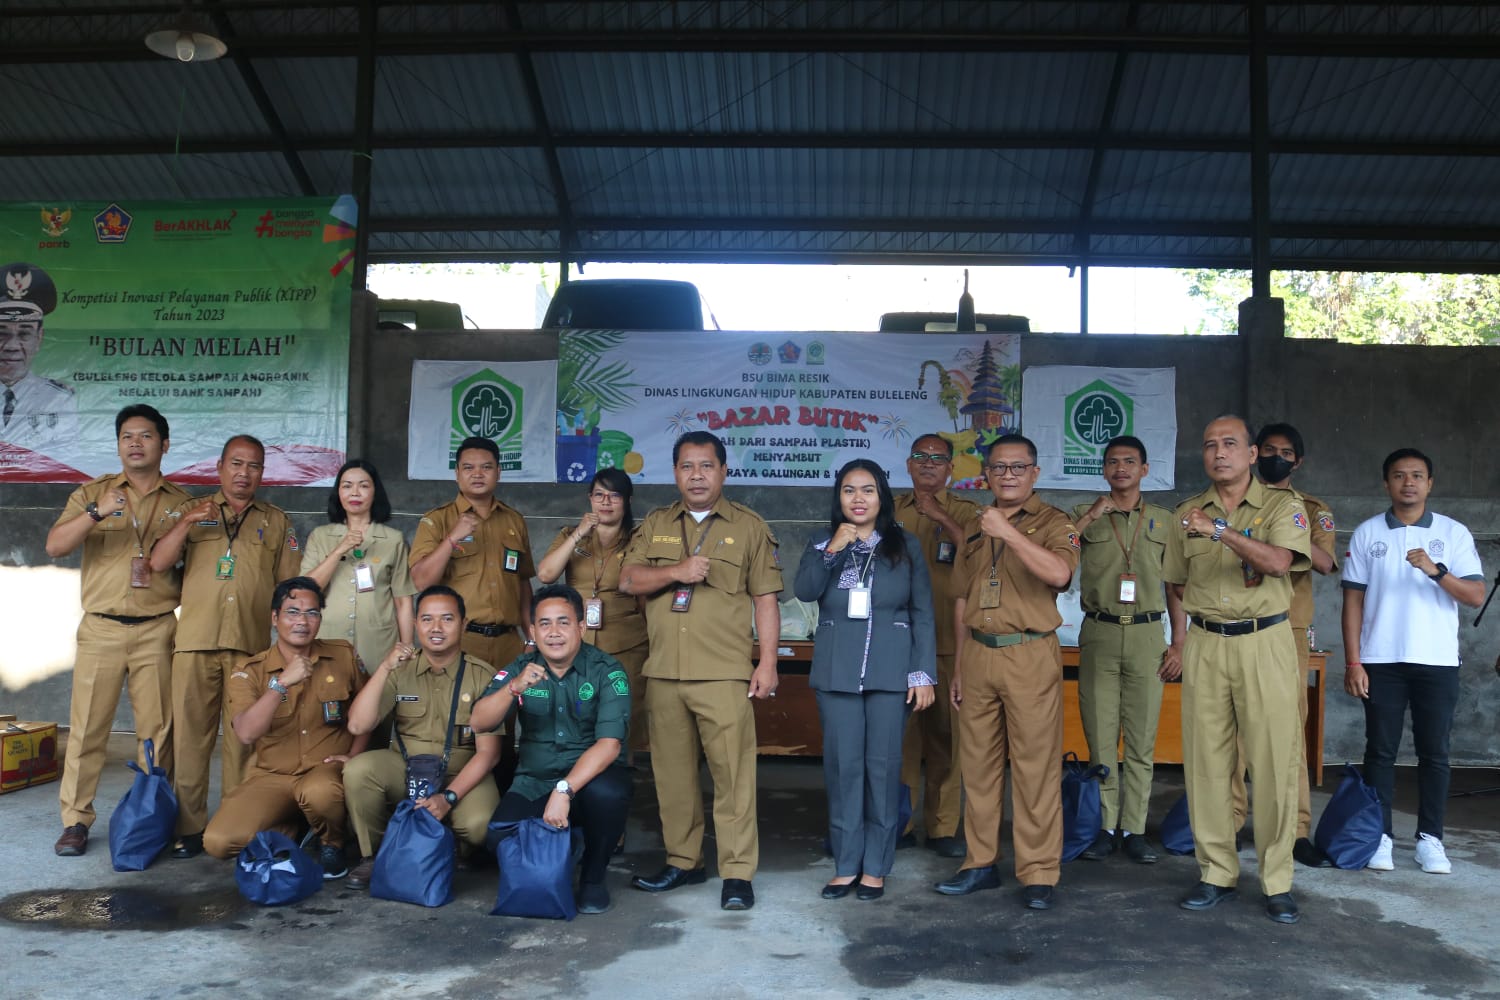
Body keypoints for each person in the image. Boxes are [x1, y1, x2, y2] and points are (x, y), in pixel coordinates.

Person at [620, 430, 782, 911]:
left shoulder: (748, 526)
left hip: (724, 673)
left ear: (724, 471)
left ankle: (737, 873)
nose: (696, 475)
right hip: (665, 673)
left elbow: (766, 599)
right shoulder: (654, 525)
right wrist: (677, 571)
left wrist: (767, 663)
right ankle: (683, 861)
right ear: (674, 473)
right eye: (687, 466)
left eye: (706, 466)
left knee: (733, 777)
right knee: (672, 778)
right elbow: (628, 579)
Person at [1164, 415, 1310, 925]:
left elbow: (1277, 563)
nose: (1218, 453)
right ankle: (1216, 873)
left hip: (1263, 640)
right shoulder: (1185, 513)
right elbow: (1176, 583)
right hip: (1206, 643)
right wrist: (1182, 638)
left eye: (1230, 444)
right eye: (1209, 445)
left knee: (1273, 762)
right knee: (1206, 764)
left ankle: (1277, 880)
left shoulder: (1282, 506)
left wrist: (1220, 530)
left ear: (1252, 454)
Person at [937, 434, 1079, 910]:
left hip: (1028, 653)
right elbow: (961, 599)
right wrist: (959, 667)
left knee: (1035, 768)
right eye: (999, 468)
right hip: (978, 654)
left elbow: (1059, 574)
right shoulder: (976, 528)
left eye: (1019, 468)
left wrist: (1011, 534)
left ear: (1035, 473)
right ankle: (979, 863)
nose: (1008, 476)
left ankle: (1039, 872)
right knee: (976, 767)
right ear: (987, 474)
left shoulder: (1055, 522)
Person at [45, 404, 190, 856]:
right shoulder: (94, 493)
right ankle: (76, 821)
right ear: (118, 444)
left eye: (145, 436)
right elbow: (54, 545)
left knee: (157, 732)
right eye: (127, 435)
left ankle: (153, 817)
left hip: (157, 629)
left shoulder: (183, 504)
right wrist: (96, 511)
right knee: (88, 729)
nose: (135, 443)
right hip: (101, 629)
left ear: (163, 445)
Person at [149, 434, 300, 858]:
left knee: (244, 743)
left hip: (249, 651)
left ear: (262, 474)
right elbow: (158, 563)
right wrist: (184, 523)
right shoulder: (190, 511)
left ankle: (235, 823)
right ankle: (191, 828)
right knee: (190, 740)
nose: (243, 473)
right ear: (219, 468)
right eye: (236, 464)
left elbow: (289, 586)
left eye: (253, 466)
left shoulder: (276, 521)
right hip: (195, 643)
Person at [795, 459, 936, 901]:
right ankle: (846, 863)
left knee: (882, 767)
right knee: (843, 770)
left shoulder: (905, 544)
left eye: (868, 490)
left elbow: (922, 613)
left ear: (882, 498)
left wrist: (922, 672)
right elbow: (805, 590)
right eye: (849, 491)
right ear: (838, 498)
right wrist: (834, 547)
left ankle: (876, 865)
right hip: (837, 671)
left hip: (891, 671)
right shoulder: (822, 542)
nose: (858, 499)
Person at [1342, 448, 1484, 875]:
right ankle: (1380, 836)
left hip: (1437, 661)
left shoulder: (1453, 533)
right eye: (1399, 476)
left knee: (1435, 754)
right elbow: (1352, 602)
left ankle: (1430, 840)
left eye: (1417, 476)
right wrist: (1354, 662)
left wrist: (1436, 571)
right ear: (1386, 483)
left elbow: (1476, 595)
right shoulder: (1368, 533)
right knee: (1380, 753)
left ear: (1430, 484)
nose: (1408, 483)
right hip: (1381, 659)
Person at [472, 584, 633, 915]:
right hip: (534, 779)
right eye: (545, 624)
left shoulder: (606, 670)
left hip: (587, 782)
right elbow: (478, 722)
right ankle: (566, 848)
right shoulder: (520, 667)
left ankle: (592, 878)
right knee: (498, 838)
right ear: (532, 630)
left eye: (564, 622)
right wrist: (513, 689)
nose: (554, 632)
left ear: (581, 626)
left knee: (611, 795)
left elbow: (609, 744)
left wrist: (565, 790)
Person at [1229, 423, 1340, 868]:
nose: (1278, 457)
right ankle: (1231, 822)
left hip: (1287, 628)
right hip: (1233, 623)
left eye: (1286, 452)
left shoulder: (1311, 509)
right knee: (1231, 730)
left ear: (1298, 461)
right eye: (1269, 450)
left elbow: (1328, 562)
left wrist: (1288, 527)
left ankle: (1294, 831)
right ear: (1255, 454)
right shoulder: (1229, 502)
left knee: (1288, 730)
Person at [342, 586, 503, 889]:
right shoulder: (399, 669)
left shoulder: (483, 676)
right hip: (406, 766)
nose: (436, 628)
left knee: (480, 824)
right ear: (415, 624)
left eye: (447, 619)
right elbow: (357, 725)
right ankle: (377, 855)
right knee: (358, 771)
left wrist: (448, 797)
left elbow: (489, 754)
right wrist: (385, 669)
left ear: (464, 624)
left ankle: (453, 846)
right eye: (427, 619)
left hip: (461, 770)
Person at [203, 577, 366, 876]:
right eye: (293, 612)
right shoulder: (250, 671)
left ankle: (333, 842)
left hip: (324, 770)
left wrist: (355, 757)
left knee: (320, 792)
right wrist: (280, 685)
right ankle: (298, 826)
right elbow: (247, 733)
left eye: (312, 613)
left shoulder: (342, 655)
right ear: (275, 618)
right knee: (218, 841)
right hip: (273, 776)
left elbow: (368, 714)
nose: (303, 621)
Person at [1071, 435, 1181, 865]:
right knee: (1100, 737)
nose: (1121, 468)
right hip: (1099, 631)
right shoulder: (1084, 514)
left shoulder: (1163, 520)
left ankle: (1134, 828)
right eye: (1113, 462)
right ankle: (1104, 826)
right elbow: (1056, 550)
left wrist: (1180, 642)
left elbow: (1176, 586)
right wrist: (1094, 515)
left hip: (1147, 635)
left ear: (1144, 469)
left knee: (1141, 738)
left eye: (1129, 462)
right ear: (1103, 470)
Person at [410, 436, 535, 783]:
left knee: (507, 733)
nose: (477, 474)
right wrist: (453, 538)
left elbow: (523, 583)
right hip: (461, 644)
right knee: (460, 727)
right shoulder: (436, 521)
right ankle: (457, 807)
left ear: (498, 472)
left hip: (509, 644)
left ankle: (502, 817)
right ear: (456, 474)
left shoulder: (513, 520)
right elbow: (420, 580)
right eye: (468, 467)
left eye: (486, 467)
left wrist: (532, 638)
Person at [893, 433, 979, 858]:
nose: (928, 464)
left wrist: (941, 516)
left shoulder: (967, 512)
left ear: (950, 468)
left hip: (951, 643)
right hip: (899, 646)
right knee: (901, 740)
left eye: (938, 459)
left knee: (949, 741)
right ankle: (900, 823)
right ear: (909, 465)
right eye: (920, 457)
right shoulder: (887, 511)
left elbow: (982, 554)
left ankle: (943, 828)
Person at [300, 459, 416, 748]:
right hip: (329, 643)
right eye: (347, 485)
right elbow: (306, 590)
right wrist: (340, 549)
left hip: (379, 647)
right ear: (338, 493)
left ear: (375, 492)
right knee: (327, 724)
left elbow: (403, 602)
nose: (355, 492)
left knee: (375, 726)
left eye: (364, 485)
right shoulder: (322, 537)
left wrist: (406, 647)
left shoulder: (393, 540)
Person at [535, 467, 648, 758]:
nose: (606, 502)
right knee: (576, 713)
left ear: (628, 500)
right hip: (577, 644)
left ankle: (620, 779)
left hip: (627, 644)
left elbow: (647, 596)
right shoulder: (571, 535)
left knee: (624, 716)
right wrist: (578, 534)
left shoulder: (640, 539)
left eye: (614, 495)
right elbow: (546, 574)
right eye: (599, 495)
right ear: (589, 499)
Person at [1, 261, 78, 457]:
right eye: (2, 333)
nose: (11, 346)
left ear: (39, 338)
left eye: (24, 334)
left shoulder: (60, 399)